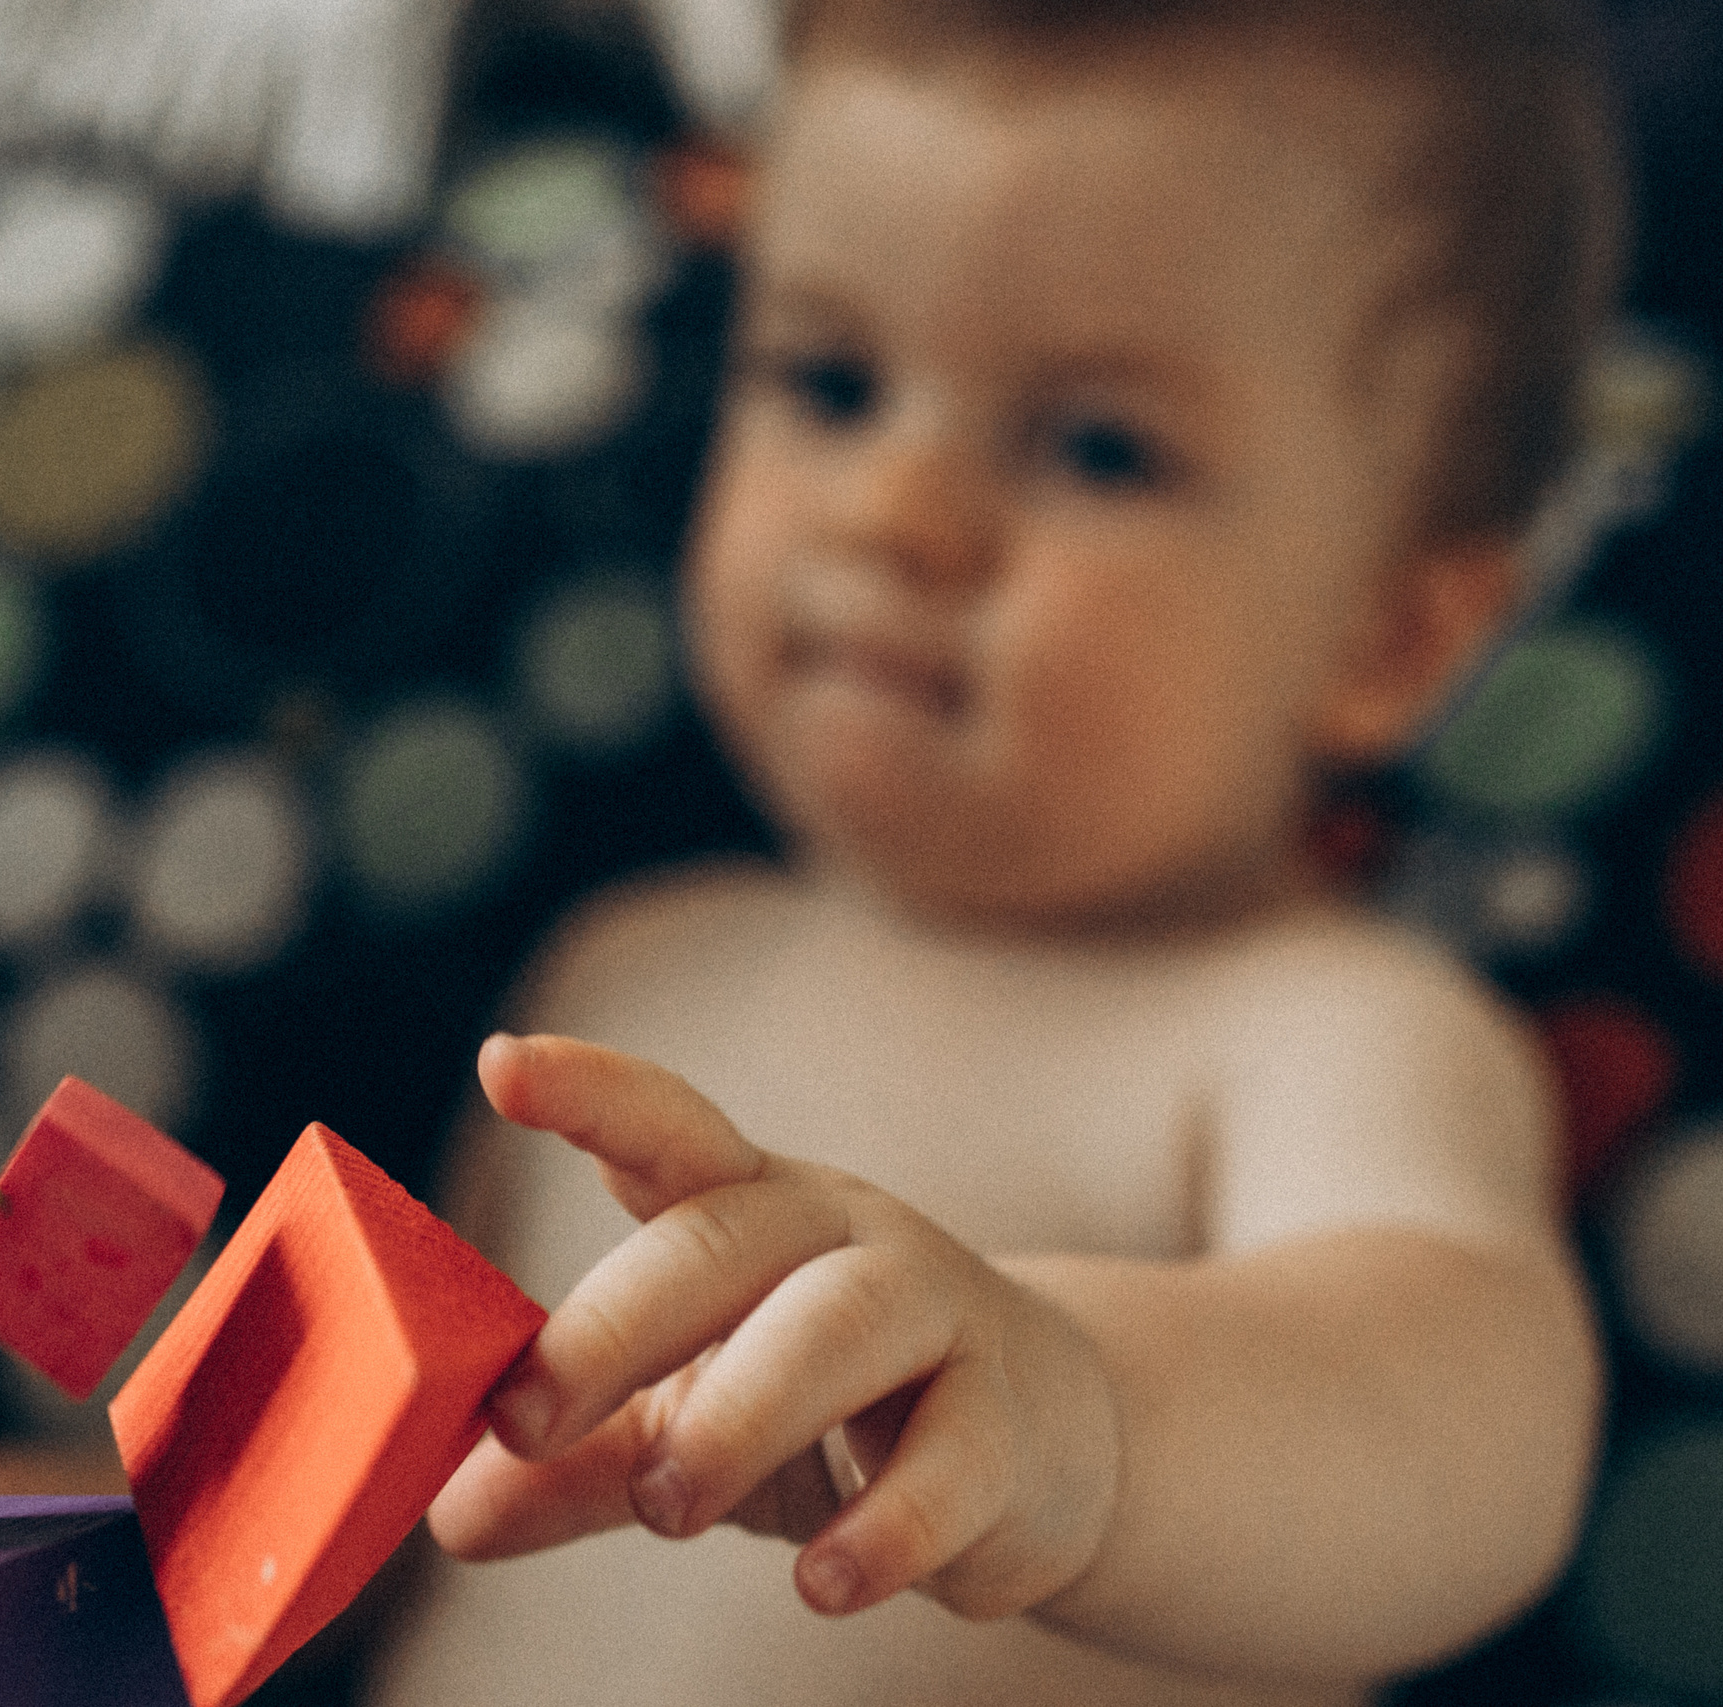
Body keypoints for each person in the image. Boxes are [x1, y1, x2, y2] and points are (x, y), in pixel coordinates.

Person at [376, 0, 1625, 1699]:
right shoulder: (625, 973)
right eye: (828, 381)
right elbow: (413, 1503)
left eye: (1098, 445)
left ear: (1389, 635)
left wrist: (1075, 1411)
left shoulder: (1319, 1031)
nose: (897, 514)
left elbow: (1456, 1450)